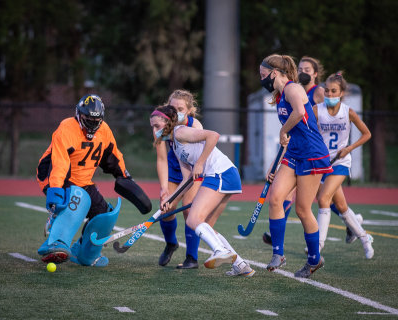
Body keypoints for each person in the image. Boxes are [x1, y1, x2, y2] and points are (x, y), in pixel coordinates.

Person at [36, 94, 150, 267]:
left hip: (83, 181)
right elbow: (59, 164)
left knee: (105, 215)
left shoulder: (104, 130)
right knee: (78, 198)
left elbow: (113, 156)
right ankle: (55, 242)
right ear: (78, 114)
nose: (92, 124)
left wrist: (125, 177)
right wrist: (56, 191)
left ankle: (85, 253)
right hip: (54, 175)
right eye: (87, 119)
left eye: (95, 120)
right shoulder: (66, 128)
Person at [150, 105, 255, 277]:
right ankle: (240, 265)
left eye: (157, 126)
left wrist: (200, 163)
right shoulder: (175, 146)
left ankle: (220, 251)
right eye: (152, 127)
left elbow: (213, 136)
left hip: (221, 173)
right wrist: (170, 199)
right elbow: (187, 179)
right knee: (206, 225)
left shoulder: (180, 132)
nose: (154, 131)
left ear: (168, 123)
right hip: (223, 175)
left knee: (193, 218)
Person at [259, 54, 332, 278]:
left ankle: (313, 260)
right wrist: (274, 163)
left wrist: (282, 130)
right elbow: (290, 135)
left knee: (302, 209)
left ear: (274, 73)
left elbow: (300, 113)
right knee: (276, 198)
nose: (261, 79)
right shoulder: (280, 95)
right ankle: (278, 254)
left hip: (311, 153)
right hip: (293, 153)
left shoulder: (293, 89)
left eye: (263, 75)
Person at [313, 71, 374, 258]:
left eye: (334, 91)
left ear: (341, 93)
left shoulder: (348, 112)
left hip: (340, 162)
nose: (330, 95)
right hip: (322, 163)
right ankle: (364, 237)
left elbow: (367, 134)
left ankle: (318, 246)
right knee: (341, 206)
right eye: (327, 91)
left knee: (323, 199)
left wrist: (349, 148)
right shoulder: (317, 110)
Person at [155, 89, 203, 269]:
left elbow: (195, 165)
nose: (175, 112)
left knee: (188, 210)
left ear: (189, 110)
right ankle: (171, 243)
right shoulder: (162, 125)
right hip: (175, 169)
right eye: (172, 107)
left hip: (194, 171)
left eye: (180, 108)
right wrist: (164, 189)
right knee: (166, 208)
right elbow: (161, 159)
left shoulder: (195, 126)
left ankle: (192, 257)